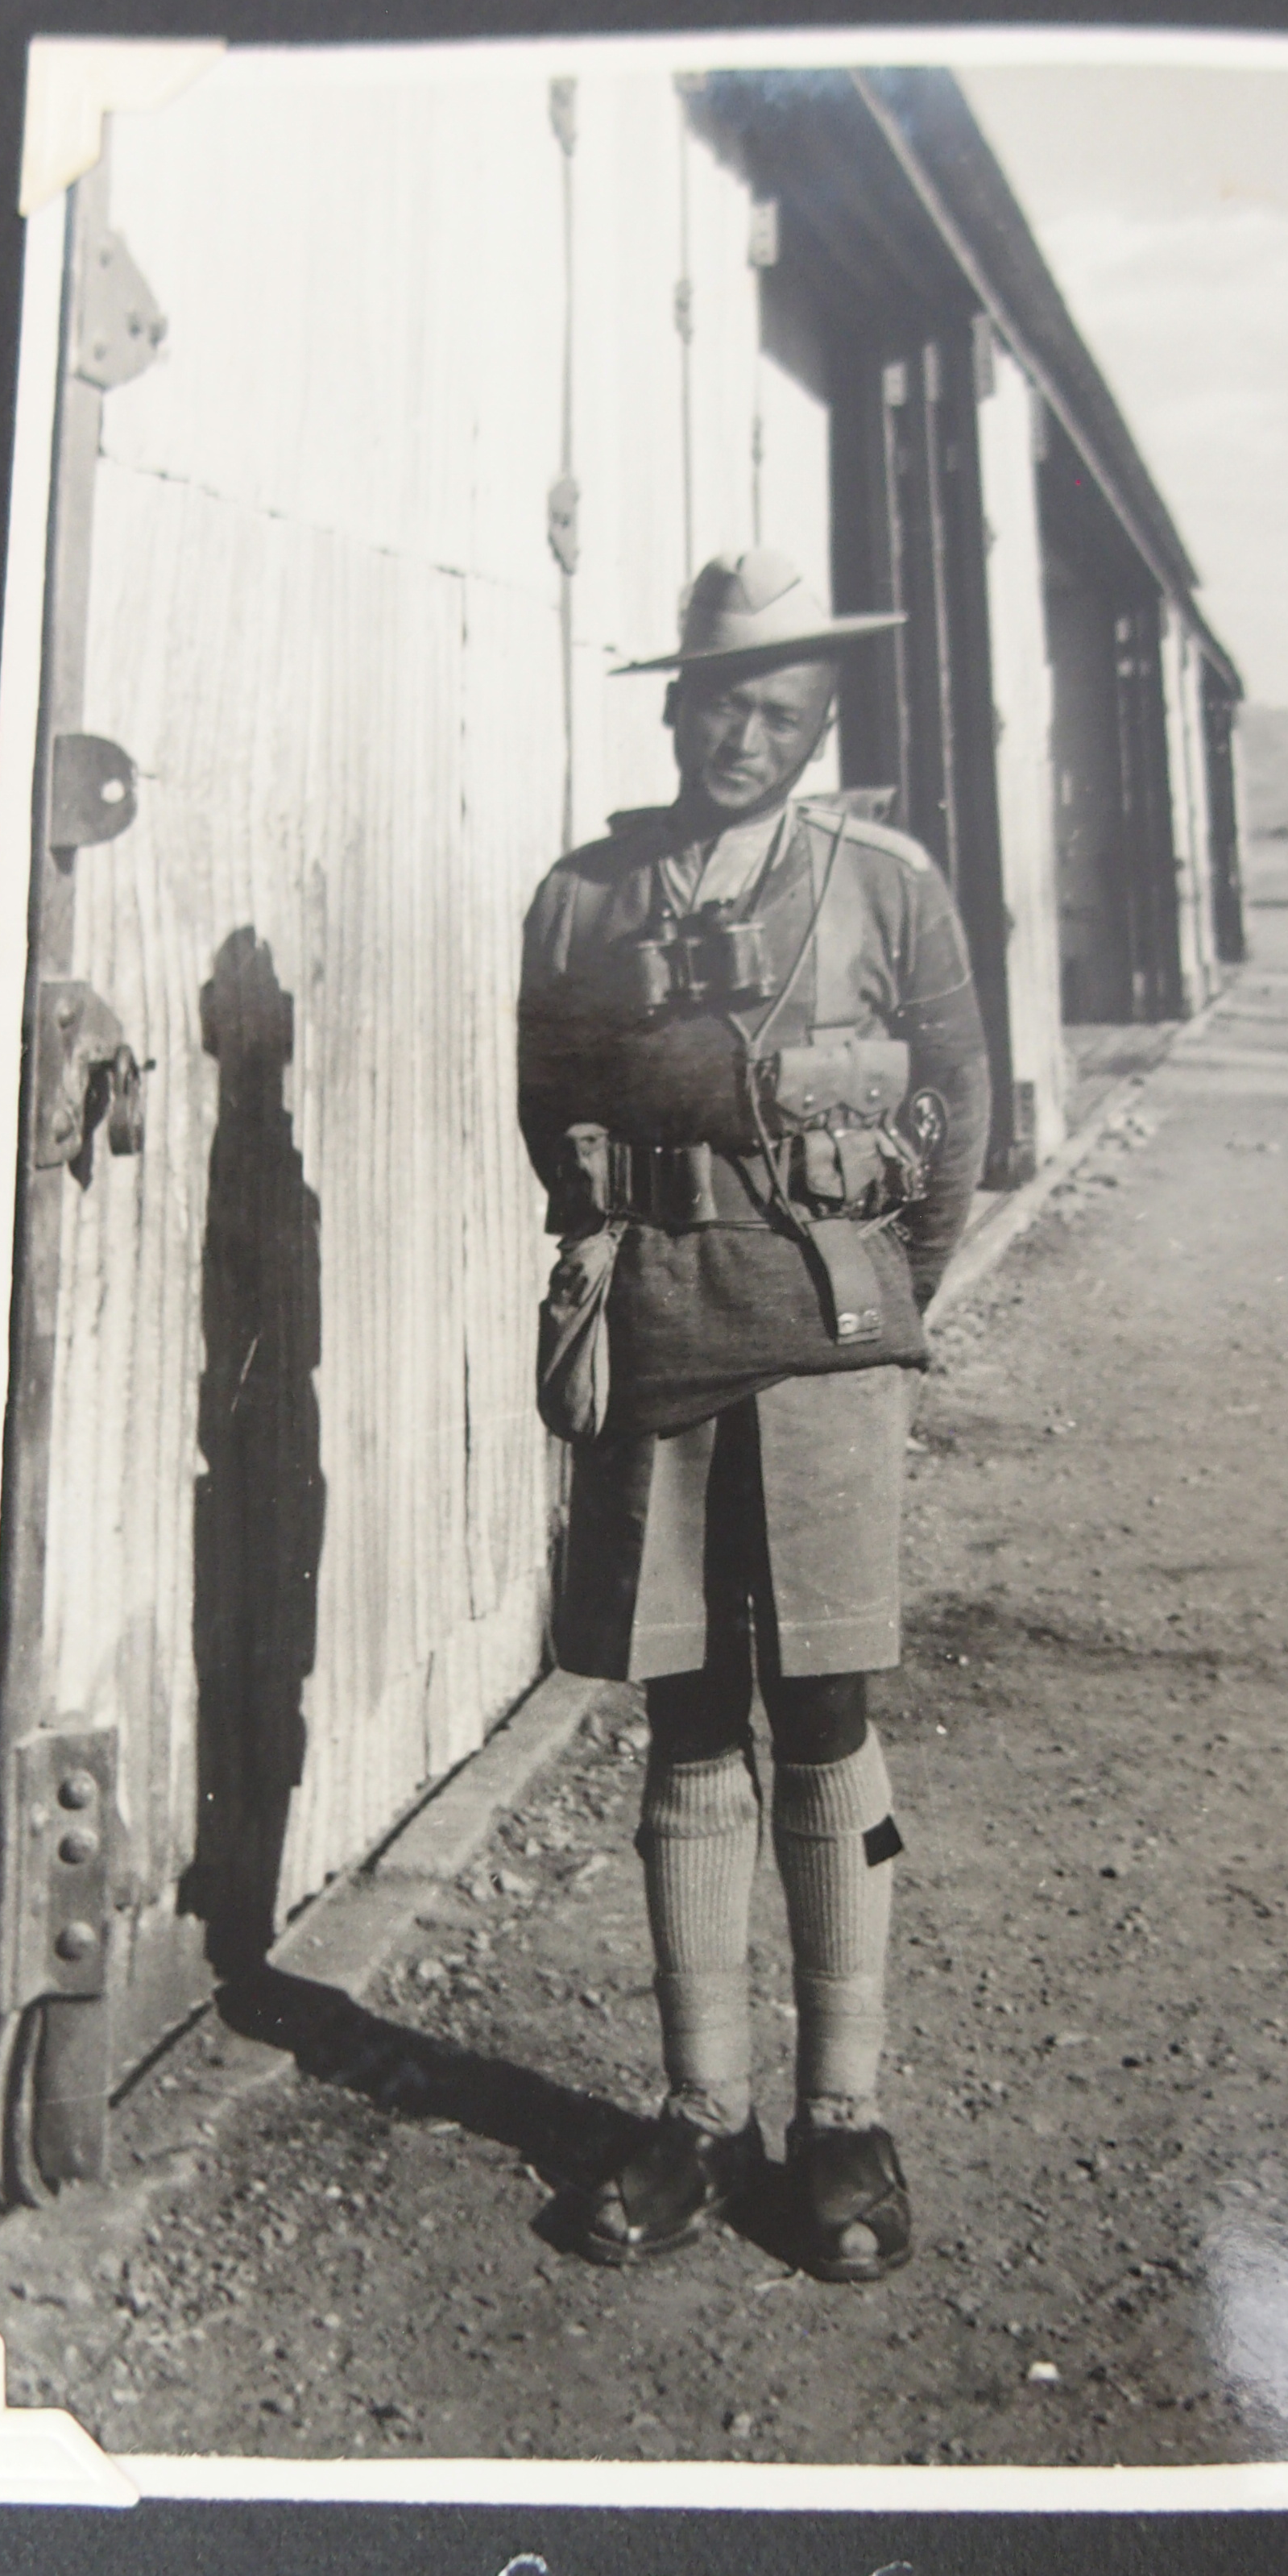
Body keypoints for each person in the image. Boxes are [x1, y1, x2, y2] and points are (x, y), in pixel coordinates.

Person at [517, 547, 990, 2281]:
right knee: (686, 1703)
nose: (747, 733)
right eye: (723, 699)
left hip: (827, 1344)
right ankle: (700, 2116)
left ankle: (845, 2117)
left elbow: (960, 1105)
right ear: (676, 704)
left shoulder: (885, 887)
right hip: (658, 1328)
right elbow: (544, 1104)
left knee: (828, 1698)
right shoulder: (583, 897)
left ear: (820, 722)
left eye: (781, 709)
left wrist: (872, 1293)